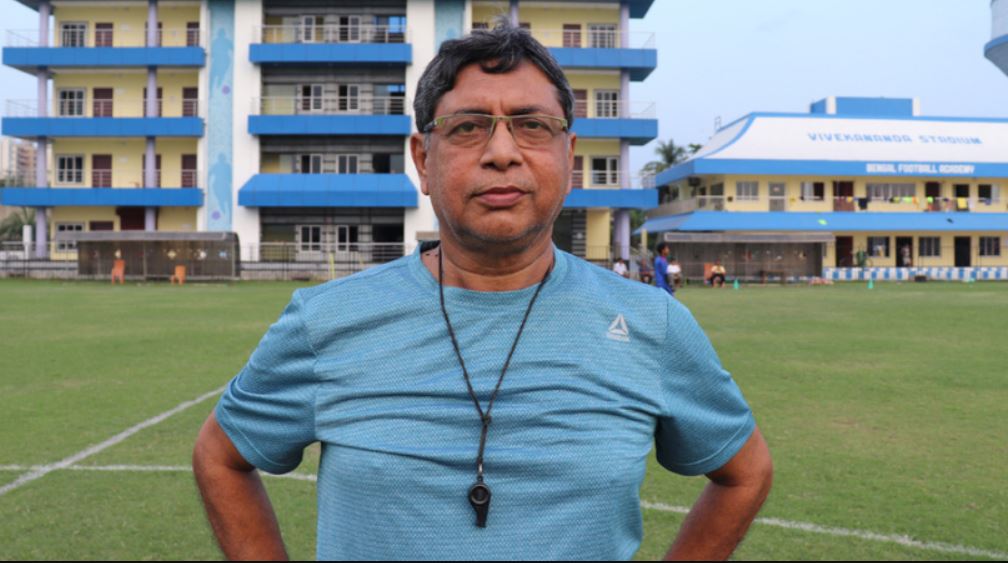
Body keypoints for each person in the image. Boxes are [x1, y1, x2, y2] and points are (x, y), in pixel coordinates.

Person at [192, 22, 771, 561]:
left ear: (569, 157)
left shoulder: (650, 323)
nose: (501, 152)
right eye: (468, 127)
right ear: (423, 159)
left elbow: (746, 472)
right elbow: (220, 455)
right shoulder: (327, 321)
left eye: (532, 125)